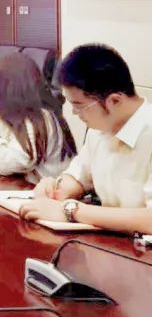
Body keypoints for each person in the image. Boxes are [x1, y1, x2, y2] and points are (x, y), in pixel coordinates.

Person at [20, 45, 152, 234]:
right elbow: (79, 176)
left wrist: (71, 211)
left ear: (114, 100)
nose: (75, 113)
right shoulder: (99, 130)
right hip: (110, 244)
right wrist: (56, 189)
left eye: (79, 106)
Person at [0, 52, 75, 182]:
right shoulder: (3, 116)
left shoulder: (39, 119)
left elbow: (5, 165)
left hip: (42, 192)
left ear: (10, 85)